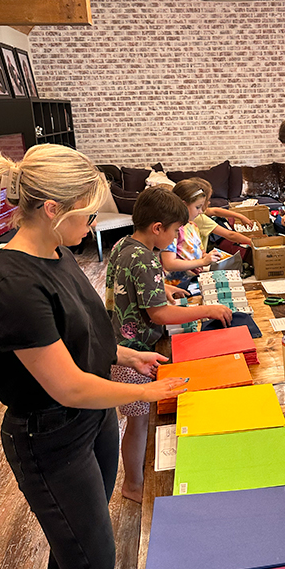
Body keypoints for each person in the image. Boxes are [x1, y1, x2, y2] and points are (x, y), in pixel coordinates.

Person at [0, 144, 187, 569]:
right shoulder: (12, 283)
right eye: (88, 214)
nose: (96, 224)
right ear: (53, 211)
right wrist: (145, 391)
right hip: (51, 435)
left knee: (81, 530)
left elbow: (83, 333)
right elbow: (67, 384)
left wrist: (125, 352)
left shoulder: (57, 254)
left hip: (90, 421)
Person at [106, 185, 232, 503]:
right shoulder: (148, 260)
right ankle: (133, 485)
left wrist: (163, 288)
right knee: (138, 424)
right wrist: (208, 309)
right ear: (158, 228)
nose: (176, 238)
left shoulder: (124, 244)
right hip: (131, 354)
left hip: (120, 343)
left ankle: (134, 479)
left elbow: (127, 284)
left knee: (140, 421)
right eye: (175, 231)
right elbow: (159, 314)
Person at [188, 178, 254, 253]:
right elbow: (230, 235)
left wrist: (240, 216)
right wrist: (253, 242)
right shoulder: (199, 218)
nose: (209, 203)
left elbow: (215, 211)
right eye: (208, 200)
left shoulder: (194, 211)